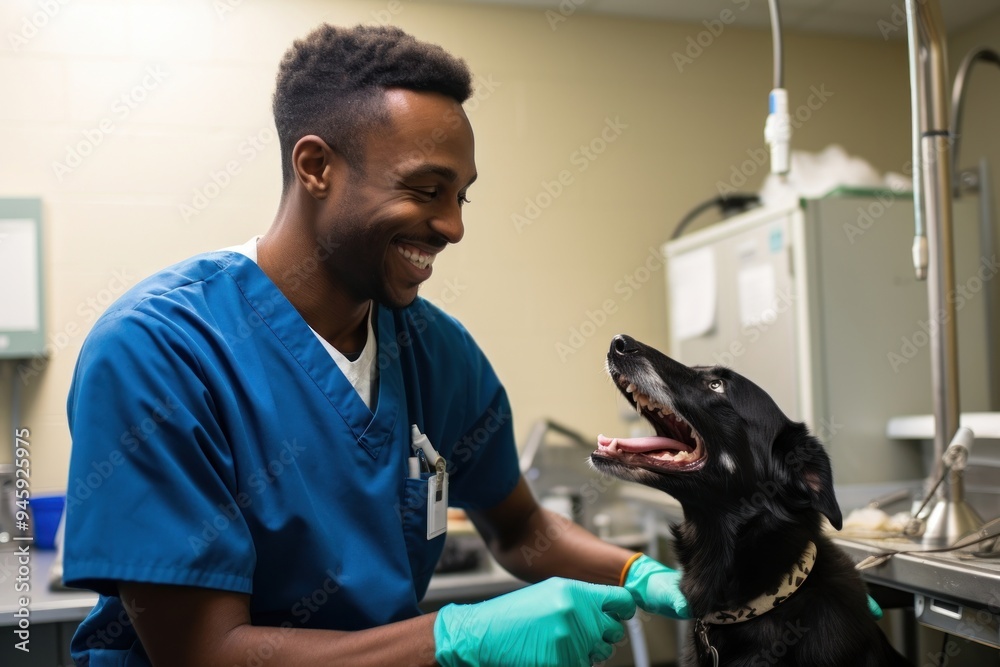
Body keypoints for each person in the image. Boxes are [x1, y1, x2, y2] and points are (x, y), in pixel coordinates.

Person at [64, 24, 691, 667]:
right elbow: (205, 652)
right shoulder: (158, 351)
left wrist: (642, 575)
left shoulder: (437, 353)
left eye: (461, 195)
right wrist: (454, 637)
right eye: (426, 190)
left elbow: (521, 528)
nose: (452, 226)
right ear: (316, 167)